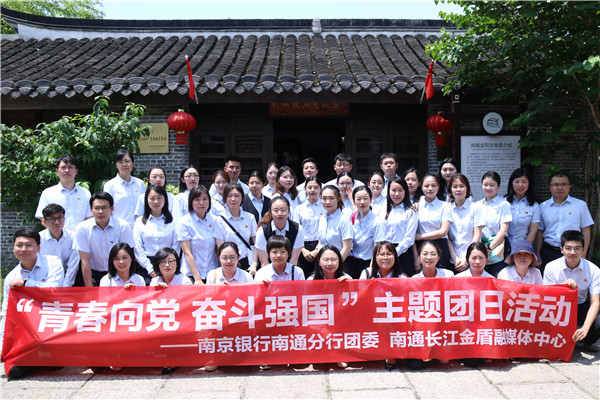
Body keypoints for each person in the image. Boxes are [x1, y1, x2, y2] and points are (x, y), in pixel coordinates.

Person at [2, 228, 64, 379]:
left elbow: (53, 290)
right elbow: (6, 313)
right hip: (28, 332)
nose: (23, 249)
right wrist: (2, 345)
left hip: (51, 324)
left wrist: (26, 283)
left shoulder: (53, 263)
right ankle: (35, 357)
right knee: (14, 372)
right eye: (19, 245)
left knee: (55, 364)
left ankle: (45, 355)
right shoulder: (11, 277)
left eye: (29, 245)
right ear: (13, 248)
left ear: (38, 247)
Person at [544, 230, 600, 352]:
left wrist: (585, 328)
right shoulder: (551, 267)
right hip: (558, 306)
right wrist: (562, 286)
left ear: (583, 250)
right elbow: (546, 295)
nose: (572, 252)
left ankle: (587, 341)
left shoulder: (594, 270)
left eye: (577, 248)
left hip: (580, 305)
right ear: (561, 249)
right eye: (568, 248)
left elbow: (595, 302)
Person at [359, 240, 404, 371]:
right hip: (370, 315)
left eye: (389, 254)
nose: (385, 257)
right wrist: (368, 288)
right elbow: (358, 299)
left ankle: (390, 353)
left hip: (392, 317)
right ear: (375, 257)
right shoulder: (366, 273)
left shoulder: (402, 278)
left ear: (395, 257)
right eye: (381, 254)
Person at [74, 192, 134, 287]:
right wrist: (89, 289)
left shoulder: (123, 226)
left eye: (105, 208)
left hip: (118, 273)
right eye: (97, 208)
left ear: (112, 209)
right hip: (94, 274)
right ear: (91, 210)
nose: (100, 212)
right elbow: (85, 260)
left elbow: (127, 256)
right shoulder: (82, 228)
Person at [409, 240, 453, 370]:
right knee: (415, 364)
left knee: (444, 361)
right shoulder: (414, 280)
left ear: (438, 257)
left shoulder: (448, 275)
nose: (429, 257)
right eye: (425, 254)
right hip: (423, 325)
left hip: (443, 323)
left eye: (433, 254)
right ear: (419, 257)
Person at [537, 172, 594, 270]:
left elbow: (586, 229)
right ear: (550, 187)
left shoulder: (580, 205)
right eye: (556, 185)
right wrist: (538, 252)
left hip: (573, 251)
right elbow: (540, 231)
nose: (559, 188)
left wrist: (584, 252)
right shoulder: (543, 207)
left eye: (564, 184)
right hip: (549, 251)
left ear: (570, 186)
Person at [149, 247, 191, 375]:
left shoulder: (184, 281)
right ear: (157, 265)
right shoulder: (154, 281)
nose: (167, 265)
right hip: (160, 318)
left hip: (179, 319)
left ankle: (172, 359)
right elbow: (149, 305)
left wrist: (167, 292)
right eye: (163, 262)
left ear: (177, 263)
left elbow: (186, 305)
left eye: (171, 261)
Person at [307, 245, 350, 369]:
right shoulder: (311, 281)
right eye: (326, 260)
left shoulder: (347, 279)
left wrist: (350, 286)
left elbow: (354, 307)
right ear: (319, 262)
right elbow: (307, 309)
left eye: (334, 259)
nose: (330, 263)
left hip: (340, 321)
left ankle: (340, 353)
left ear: (339, 261)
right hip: (318, 321)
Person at [133, 185, 179, 285]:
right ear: (146, 200)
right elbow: (138, 247)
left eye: (159, 198)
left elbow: (176, 245)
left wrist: (168, 264)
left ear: (165, 200)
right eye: (152, 198)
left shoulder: (173, 221)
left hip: (169, 264)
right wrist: (150, 269)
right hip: (146, 266)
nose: (156, 202)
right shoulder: (139, 222)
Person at [35, 154, 91, 232]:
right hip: (57, 237)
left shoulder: (85, 193)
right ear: (57, 171)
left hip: (80, 236)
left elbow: (89, 218)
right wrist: (60, 234)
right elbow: (43, 219)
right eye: (63, 167)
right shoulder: (48, 193)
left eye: (70, 167)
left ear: (76, 171)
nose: (67, 170)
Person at [176, 185, 218, 284]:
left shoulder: (215, 220)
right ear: (191, 202)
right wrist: (197, 278)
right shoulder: (184, 222)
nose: (201, 203)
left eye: (205, 199)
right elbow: (187, 252)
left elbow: (219, 247)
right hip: (191, 274)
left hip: (212, 273)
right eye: (197, 200)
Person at [379, 176, 418, 276]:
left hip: (404, 253)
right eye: (393, 190)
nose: (397, 194)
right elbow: (379, 232)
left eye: (400, 190)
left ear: (405, 191)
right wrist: (386, 253)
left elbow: (409, 238)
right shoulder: (382, 209)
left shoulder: (410, 211)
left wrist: (394, 252)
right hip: (384, 252)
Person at [476, 171, 512, 277]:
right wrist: (482, 248)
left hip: (499, 247)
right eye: (485, 184)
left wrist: (489, 248)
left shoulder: (504, 204)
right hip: (481, 247)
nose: (488, 188)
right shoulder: (477, 205)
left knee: (498, 278)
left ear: (498, 186)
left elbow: (503, 230)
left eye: (492, 185)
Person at [215, 183, 257, 272]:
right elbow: (221, 247)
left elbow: (257, 243)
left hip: (247, 263)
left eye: (237, 196)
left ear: (242, 198)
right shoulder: (219, 220)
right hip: (228, 263)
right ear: (225, 198)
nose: (233, 199)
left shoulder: (250, 217)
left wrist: (254, 263)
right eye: (229, 196)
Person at [414, 173, 451, 270]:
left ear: (438, 187)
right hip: (422, 247)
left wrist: (420, 236)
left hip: (440, 246)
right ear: (421, 187)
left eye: (433, 185)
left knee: (441, 276)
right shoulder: (416, 206)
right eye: (426, 186)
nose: (430, 189)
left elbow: (443, 231)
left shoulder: (445, 206)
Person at [347, 186, 386, 279]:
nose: (362, 202)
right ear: (354, 201)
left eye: (365, 198)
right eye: (358, 199)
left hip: (368, 262)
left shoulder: (377, 221)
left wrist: (370, 269)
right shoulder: (353, 219)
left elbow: (377, 248)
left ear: (371, 199)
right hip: (353, 262)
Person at [447, 174, 483, 274]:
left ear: (467, 188)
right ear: (450, 189)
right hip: (453, 260)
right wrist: (455, 258)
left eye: (462, 186)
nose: (458, 189)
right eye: (455, 187)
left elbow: (477, 235)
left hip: (472, 259)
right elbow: (447, 237)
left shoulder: (475, 208)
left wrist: (467, 258)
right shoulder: (447, 208)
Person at [255, 196, 304, 268]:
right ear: (271, 212)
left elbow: (294, 259)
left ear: (288, 211)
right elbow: (264, 262)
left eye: (283, 210)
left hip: (290, 268)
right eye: (276, 210)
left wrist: (287, 274)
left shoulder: (298, 228)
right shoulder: (262, 230)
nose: (280, 213)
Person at [103, 149, 146, 228]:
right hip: (119, 228)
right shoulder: (110, 185)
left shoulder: (140, 184)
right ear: (116, 165)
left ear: (132, 163)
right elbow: (107, 209)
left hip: (139, 228)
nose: (124, 164)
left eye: (127, 161)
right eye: (120, 162)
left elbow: (145, 206)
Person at [39, 204, 79, 287]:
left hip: (69, 275)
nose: (57, 222)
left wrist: (65, 286)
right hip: (46, 276)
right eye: (52, 219)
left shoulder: (73, 237)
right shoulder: (39, 239)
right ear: (45, 221)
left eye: (60, 218)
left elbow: (73, 265)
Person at [293, 176, 326, 278]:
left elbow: (326, 229)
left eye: (316, 187)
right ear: (305, 189)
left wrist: (318, 249)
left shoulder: (325, 207)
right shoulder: (299, 209)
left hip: (320, 246)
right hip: (302, 247)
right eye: (309, 187)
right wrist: (303, 250)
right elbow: (296, 230)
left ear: (320, 189)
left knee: (319, 277)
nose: (312, 190)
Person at [316, 185, 353, 262]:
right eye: (324, 198)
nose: (327, 202)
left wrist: (336, 264)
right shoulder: (322, 218)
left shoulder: (344, 220)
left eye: (331, 198)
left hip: (342, 261)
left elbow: (347, 247)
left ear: (338, 198)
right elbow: (320, 243)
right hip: (325, 262)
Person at [505, 167, 539, 246]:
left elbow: (533, 231)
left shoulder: (534, 205)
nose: (520, 185)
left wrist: (523, 248)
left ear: (529, 184)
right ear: (511, 183)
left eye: (524, 182)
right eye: (517, 182)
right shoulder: (504, 202)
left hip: (522, 247)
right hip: (503, 247)